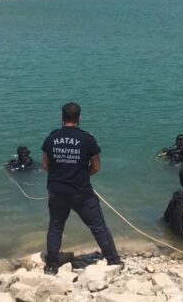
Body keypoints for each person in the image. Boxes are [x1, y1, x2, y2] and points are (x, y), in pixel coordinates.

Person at [41, 102, 122, 275]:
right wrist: (81, 175)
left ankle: (51, 265)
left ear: (62, 118)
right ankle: (113, 260)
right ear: (79, 117)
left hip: (57, 191)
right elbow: (96, 167)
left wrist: (62, 173)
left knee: (55, 227)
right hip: (81, 192)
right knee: (98, 226)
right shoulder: (87, 138)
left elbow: (45, 165)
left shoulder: (51, 138)